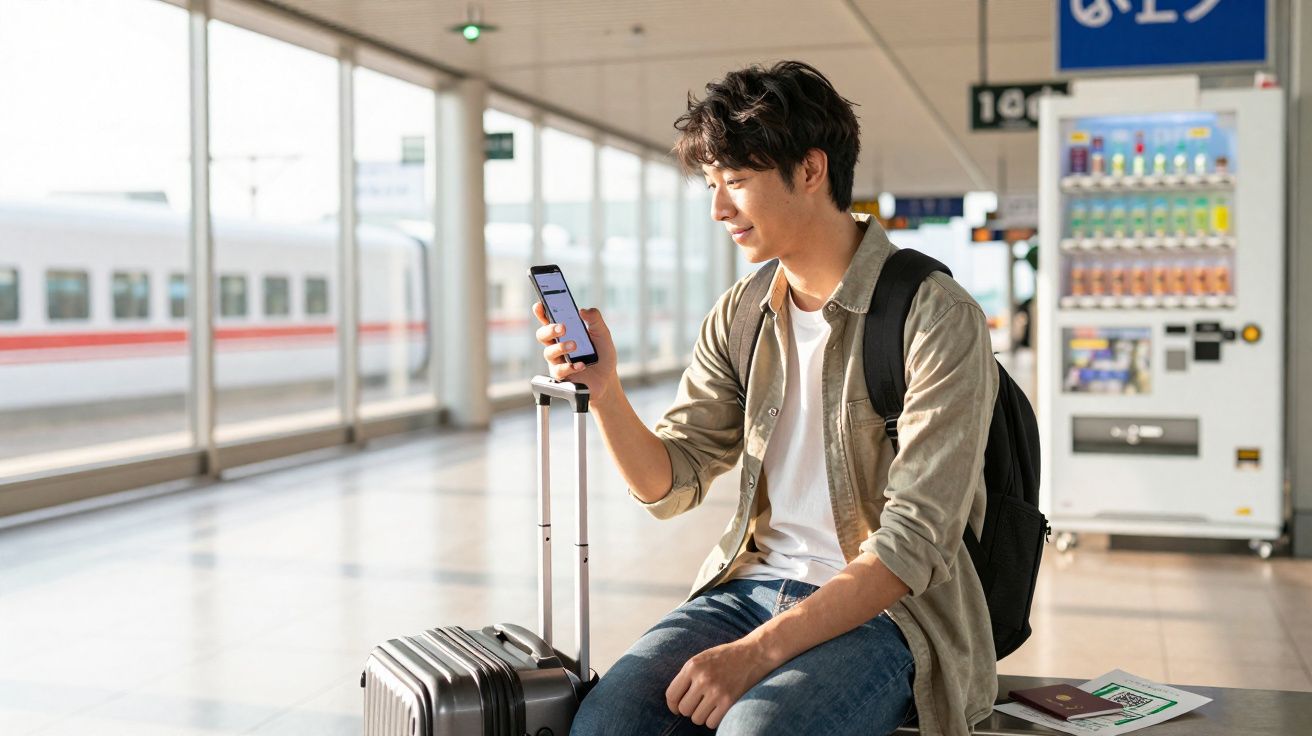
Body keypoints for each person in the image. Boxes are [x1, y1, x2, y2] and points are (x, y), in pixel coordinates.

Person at [532, 60, 997, 736]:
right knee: (607, 724)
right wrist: (604, 391)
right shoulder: (742, 313)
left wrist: (757, 654)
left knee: (757, 729)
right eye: (712, 185)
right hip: (745, 590)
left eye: (738, 183)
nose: (719, 208)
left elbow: (913, 545)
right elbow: (672, 483)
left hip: (893, 617)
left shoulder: (935, 316)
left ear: (810, 172)